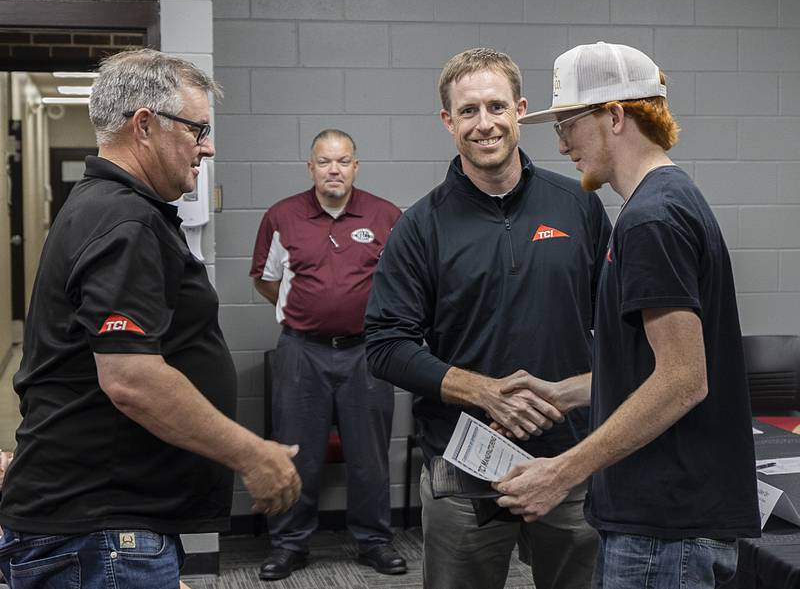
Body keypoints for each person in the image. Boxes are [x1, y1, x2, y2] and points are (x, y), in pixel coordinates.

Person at [0, 48, 301, 588]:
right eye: (198, 129)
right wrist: (254, 455)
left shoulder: (106, 207)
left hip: (106, 531)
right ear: (144, 125)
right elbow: (132, 379)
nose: (207, 147)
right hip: (100, 532)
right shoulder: (124, 219)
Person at [495, 42, 761, 587]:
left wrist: (560, 472)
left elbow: (683, 382)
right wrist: (562, 391)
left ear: (615, 115)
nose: (562, 143)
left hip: (665, 533)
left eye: (568, 122)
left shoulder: (651, 220)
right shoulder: (668, 199)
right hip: (662, 525)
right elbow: (654, 368)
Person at [365, 48, 611, 589]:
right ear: (448, 121)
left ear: (520, 110)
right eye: (469, 111)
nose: (485, 124)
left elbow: (617, 324)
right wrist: (483, 392)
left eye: (496, 106)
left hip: (571, 457)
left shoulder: (579, 205)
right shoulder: (419, 226)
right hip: (464, 464)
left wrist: (584, 391)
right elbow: (385, 344)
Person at [250, 129, 406, 580]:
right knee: (297, 454)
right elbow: (266, 280)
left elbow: (399, 282)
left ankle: (374, 542)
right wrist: (308, 309)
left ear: (356, 166)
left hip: (366, 354)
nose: (333, 170)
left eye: (342, 161)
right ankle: (289, 545)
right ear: (311, 168)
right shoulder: (282, 217)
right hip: (302, 353)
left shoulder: (385, 216)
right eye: (324, 161)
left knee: (370, 456)